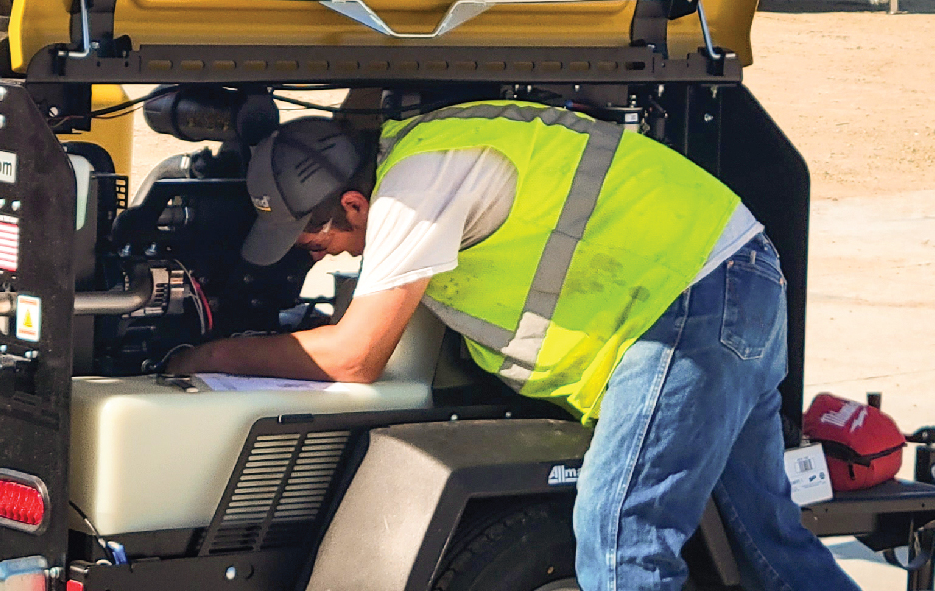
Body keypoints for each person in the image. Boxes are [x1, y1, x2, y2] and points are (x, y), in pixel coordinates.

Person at [167, 100, 856, 591]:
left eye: (315, 241)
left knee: (622, 534)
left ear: (353, 206)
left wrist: (214, 355)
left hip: (691, 295)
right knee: (765, 538)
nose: (315, 257)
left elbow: (354, 356)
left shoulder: (415, 186)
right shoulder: (419, 166)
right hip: (722, 284)